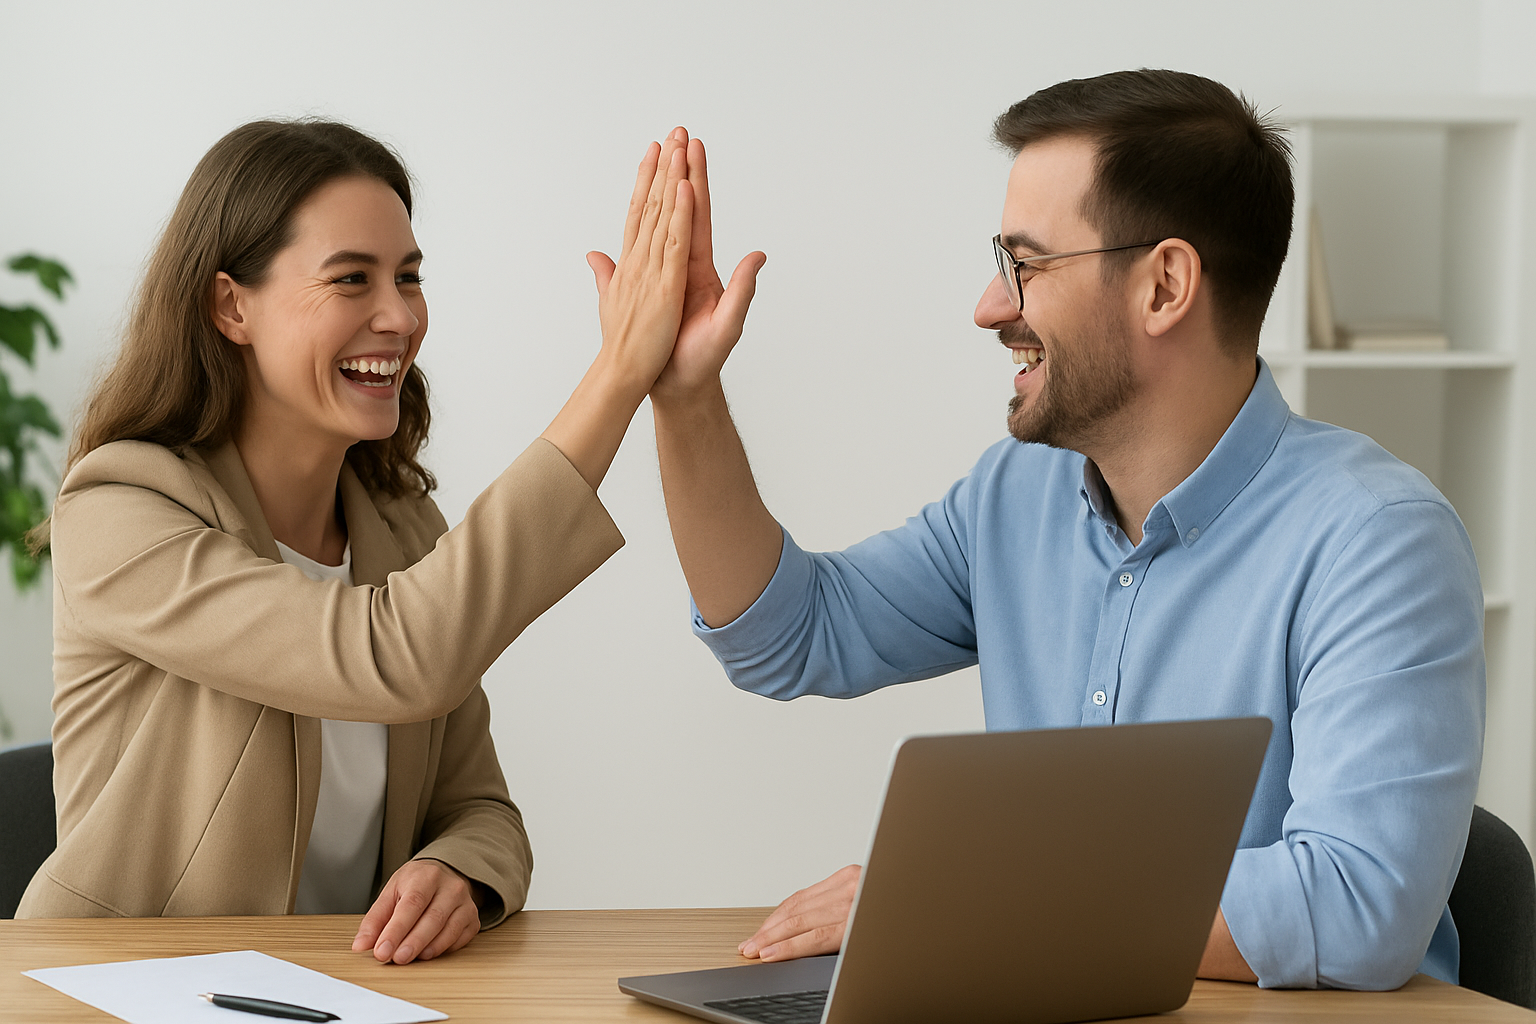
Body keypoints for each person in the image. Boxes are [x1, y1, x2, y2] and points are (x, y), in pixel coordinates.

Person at [649, 72, 1485, 990]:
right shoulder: (1016, 496)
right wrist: (686, 396)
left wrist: (967, 900)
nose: (989, 306)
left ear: (1165, 285)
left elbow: (1358, 907)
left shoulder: (1378, 542)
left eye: (1027, 265)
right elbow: (786, 635)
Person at [17, 119, 699, 965]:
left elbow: (481, 809)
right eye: (351, 279)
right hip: (117, 992)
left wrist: (458, 870)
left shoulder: (402, 529)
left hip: (340, 993)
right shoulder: (122, 508)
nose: (400, 316)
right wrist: (618, 375)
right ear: (231, 306)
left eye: (409, 277)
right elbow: (394, 655)